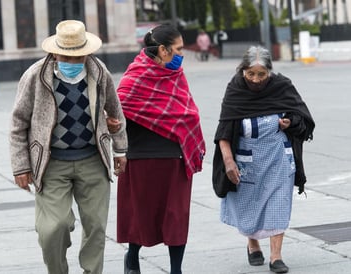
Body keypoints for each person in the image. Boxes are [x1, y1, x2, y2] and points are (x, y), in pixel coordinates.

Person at [9, 20, 128, 274]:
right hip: (52, 164)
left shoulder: (99, 72)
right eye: (67, 57)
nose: (73, 63)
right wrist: (21, 166)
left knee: (96, 226)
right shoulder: (35, 76)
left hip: (93, 160)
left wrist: (120, 149)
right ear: (54, 52)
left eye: (79, 57)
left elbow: (115, 113)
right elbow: (18, 123)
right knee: (53, 229)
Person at [212, 46, 315, 273]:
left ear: (270, 72)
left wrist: (291, 122)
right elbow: (224, 133)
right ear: (242, 71)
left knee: (279, 204)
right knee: (249, 205)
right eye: (251, 74)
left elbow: (302, 117)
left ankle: (276, 256)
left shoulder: (282, 87)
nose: (256, 80)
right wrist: (229, 161)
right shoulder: (235, 91)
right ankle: (252, 243)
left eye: (262, 75)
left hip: (279, 159)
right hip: (247, 162)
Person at [116, 24, 206, 274]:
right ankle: (132, 258)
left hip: (175, 156)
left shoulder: (176, 75)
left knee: (176, 217)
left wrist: (183, 121)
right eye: (178, 49)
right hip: (141, 157)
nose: (181, 54)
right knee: (138, 215)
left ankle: (176, 269)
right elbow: (117, 110)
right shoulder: (134, 77)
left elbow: (188, 112)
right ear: (164, 50)